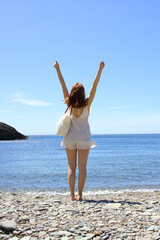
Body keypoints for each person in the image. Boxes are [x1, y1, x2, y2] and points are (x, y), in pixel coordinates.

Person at [54, 60, 105, 201]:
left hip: (70, 138)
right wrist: (100, 69)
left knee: (71, 167)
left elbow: (62, 84)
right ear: (82, 93)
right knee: (82, 168)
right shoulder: (87, 104)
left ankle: (71, 196)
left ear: (72, 93)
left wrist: (57, 69)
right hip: (84, 139)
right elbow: (95, 86)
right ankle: (80, 195)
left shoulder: (69, 103)